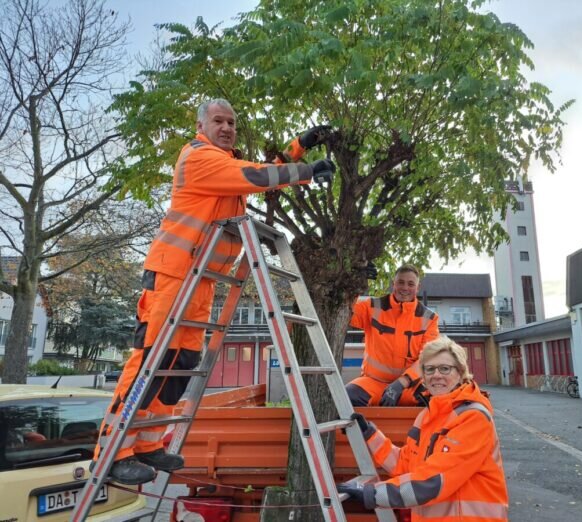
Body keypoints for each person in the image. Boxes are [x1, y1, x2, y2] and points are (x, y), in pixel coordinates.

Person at [94, 99, 334, 485]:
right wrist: (307, 170)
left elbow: (262, 170)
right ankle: (111, 451)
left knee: (180, 364)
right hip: (174, 273)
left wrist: (300, 144)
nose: (227, 127)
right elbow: (257, 177)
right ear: (200, 125)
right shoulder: (200, 157)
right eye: (219, 121)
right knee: (152, 360)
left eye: (232, 123)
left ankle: (148, 444)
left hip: (201, 278)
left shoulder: (224, 163)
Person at [338, 336, 509, 521]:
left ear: (461, 373)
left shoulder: (473, 417)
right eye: (429, 369)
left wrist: (371, 494)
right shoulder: (426, 416)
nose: (436, 375)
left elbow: (434, 481)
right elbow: (404, 465)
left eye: (445, 368)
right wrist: (370, 434)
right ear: (423, 377)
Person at [346, 264, 439, 406]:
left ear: (418, 287)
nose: (405, 288)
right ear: (393, 283)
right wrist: (355, 284)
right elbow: (346, 312)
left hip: (409, 385)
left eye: (410, 284)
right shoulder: (372, 307)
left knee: (438, 399)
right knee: (347, 397)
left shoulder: (429, 318)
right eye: (400, 282)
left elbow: (427, 357)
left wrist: (402, 382)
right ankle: (368, 429)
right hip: (373, 383)